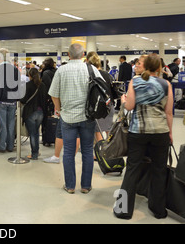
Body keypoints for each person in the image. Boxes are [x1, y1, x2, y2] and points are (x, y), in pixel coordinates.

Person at [113, 53, 173, 220]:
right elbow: (168, 112)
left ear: (146, 66)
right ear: (159, 68)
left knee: (132, 169)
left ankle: (123, 210)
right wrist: (170, 133)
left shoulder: (135, 82)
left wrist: (124, 99)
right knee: (159, 170)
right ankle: (159, 210)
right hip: (160, 132)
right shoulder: (166, 84)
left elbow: (130, 106)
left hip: (138, 132)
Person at [48, 44, 103, 194]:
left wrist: (59, 109)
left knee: (69, 152)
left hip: (68, 117)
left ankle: (70, 186)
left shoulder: (61, 70)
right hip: (88, 117)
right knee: (86, 151)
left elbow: (53, 93)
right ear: (83, 54)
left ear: (68, 54)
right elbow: (102, 91)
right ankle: (86, 186)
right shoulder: (92, 69)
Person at [0, 48, 24, 153]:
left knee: (3, 124)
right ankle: (10, 146)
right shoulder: (15, 70)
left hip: (1, 101)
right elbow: (19, 86)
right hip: (13, 101)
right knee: (11, 124)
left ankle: (2, 145)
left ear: (0, 57)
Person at [86, 52, 115, 143]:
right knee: (108, 129)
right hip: (109, 105)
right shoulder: (107, 75)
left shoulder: (91, 75)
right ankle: (111, 151)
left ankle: (100, 153)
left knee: (98, 131)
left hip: (98, 106)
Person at [20, 68, 47, 160]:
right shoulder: (42, 85)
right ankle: (36, 151)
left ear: (29, 75)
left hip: (30, 112)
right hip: (40, 113)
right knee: (36, 132)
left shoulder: (27, 85)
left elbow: (23, 100)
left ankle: (34, 154)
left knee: (32, 133)